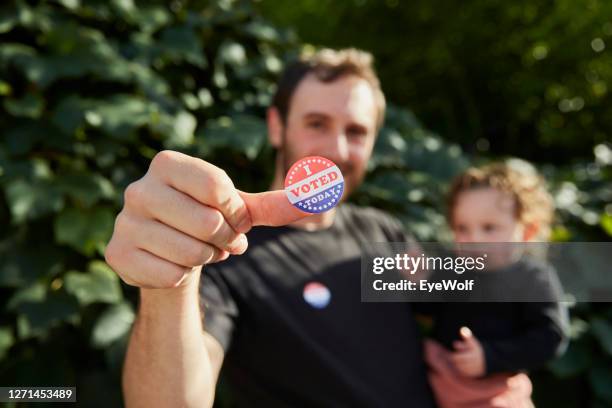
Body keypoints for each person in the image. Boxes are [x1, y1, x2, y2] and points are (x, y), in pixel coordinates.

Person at [105, 48, 435, 407]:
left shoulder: (384, 231)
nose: (337, 149)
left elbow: (482, 294)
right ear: (277, 126)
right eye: (317, 124)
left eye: (356, 131)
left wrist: (503, 373)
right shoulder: (223, 248)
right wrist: (170, 286)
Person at [420, 162, 568, 408]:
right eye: (462, 228)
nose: (474, 240)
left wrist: (490, 356)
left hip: (496, 392)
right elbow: (427, 308)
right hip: (440, 382)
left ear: (527, 231)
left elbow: (550, 336)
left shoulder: (532, 278)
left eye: (489, 228)